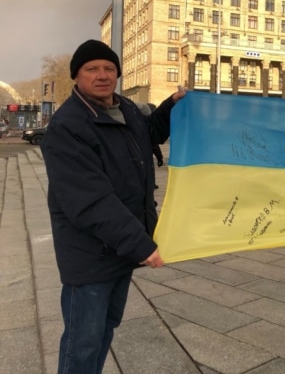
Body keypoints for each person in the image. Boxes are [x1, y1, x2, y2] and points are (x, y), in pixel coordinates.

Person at [40, 39, 185, 374]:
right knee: (83, 341)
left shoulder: (126, 108)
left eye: (109, 68)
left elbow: (149, 134)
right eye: (92, 69)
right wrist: (141, 244)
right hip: (91, 256)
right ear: (77, 76)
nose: (102, 75)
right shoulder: (67, 126)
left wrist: (172, 106)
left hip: (120, 250)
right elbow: (89, 199)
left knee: (105, 329)